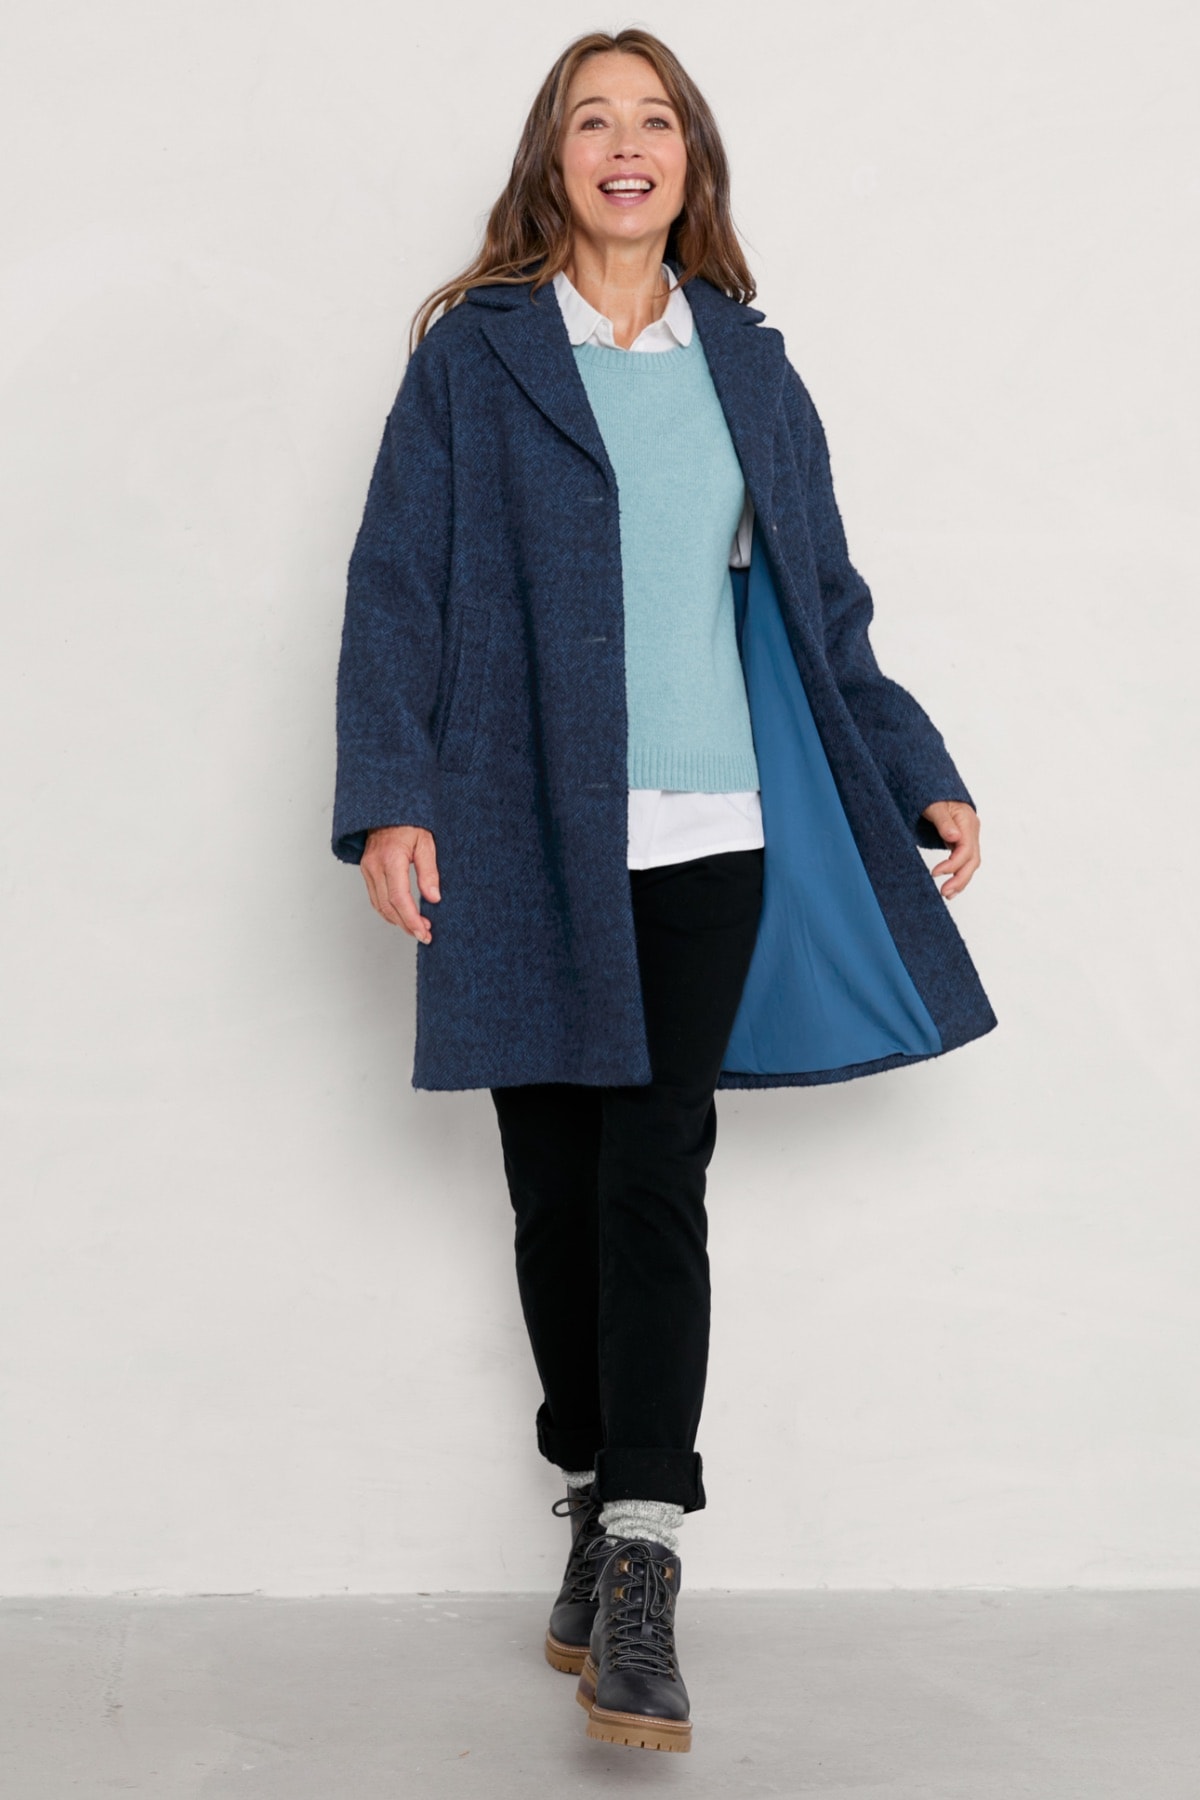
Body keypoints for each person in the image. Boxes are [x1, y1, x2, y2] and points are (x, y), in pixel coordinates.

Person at [332, 27, 995, 1755]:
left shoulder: (749, 369)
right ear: (552, 160)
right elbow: (397, 585)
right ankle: (587, 1482)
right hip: (517, 829)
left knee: (654, 1176)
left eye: (654, 121)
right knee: (554, 1193)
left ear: (691, 159)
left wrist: (914, 760)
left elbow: (825, 606)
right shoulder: (477, 357)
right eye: (591, 121)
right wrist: (391, 798)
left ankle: (644, 1549)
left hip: (711, 833)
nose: (625, 146)